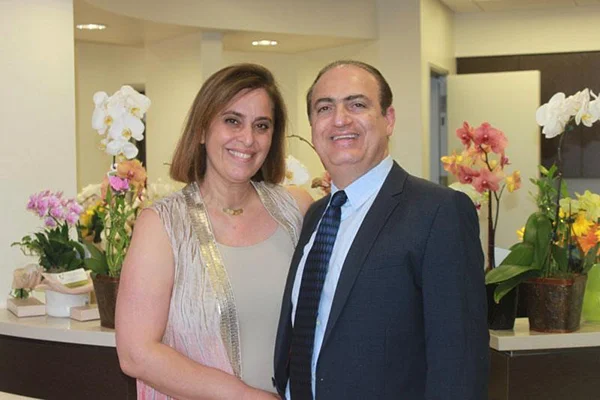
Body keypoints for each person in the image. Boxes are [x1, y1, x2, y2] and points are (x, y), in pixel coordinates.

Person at [273, 60, 489, 400]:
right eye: (324, 108)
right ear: (313, 125)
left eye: (357, 104)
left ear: (388, 119)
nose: (340, 119)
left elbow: (458, 363)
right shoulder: (316, 216)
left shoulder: (438, 212)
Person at [116, 63, 313, 400]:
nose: (248, 139)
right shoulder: (162, 224)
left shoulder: (297, 209)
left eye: (261, 125)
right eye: (232, 121)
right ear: (202, 130)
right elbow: (136, 354)